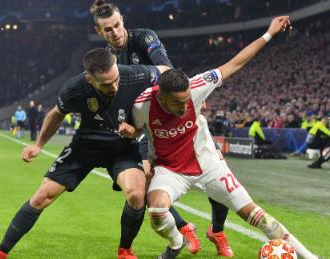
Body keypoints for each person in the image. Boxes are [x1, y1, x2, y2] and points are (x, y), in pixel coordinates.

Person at [120, 16, 318, 259]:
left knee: (258, 217)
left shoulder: (197, 86)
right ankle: (177, 242)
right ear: (160, 97)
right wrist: (133, 132)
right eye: (177, 103)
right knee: (157, 210)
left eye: (187, 101)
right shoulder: (142, 106)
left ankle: (311, 257)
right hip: (170, 170)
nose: (185, 107)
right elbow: (138, 130)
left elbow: (235, 63)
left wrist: (269, 34)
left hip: (209, 165)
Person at [0, 48, 169, 259]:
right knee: (42, 196)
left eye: (116, 79)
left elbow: (166, 72)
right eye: (106, 84)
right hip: (85, 146)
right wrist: (38, 145)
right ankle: (0, 253)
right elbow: (56, 115)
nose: (115, 86)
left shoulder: (135, 74)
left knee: (136, 194)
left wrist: (190, 96)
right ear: (90, 79)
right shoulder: (74, 88)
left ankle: (125, 251)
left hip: (122, 147)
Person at [90, 0, 232, 255]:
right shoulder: (106, 59)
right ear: (99, 31)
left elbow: (166, 70)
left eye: (118, 25)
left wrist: (133, 75)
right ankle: (184, 227)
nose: (116, 32)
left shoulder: (145, 38)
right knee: (143, 186)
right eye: (108, 29)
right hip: (145, 123)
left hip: (175, 115)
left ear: (123, 20)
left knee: (217, 177)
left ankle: (218, 230)